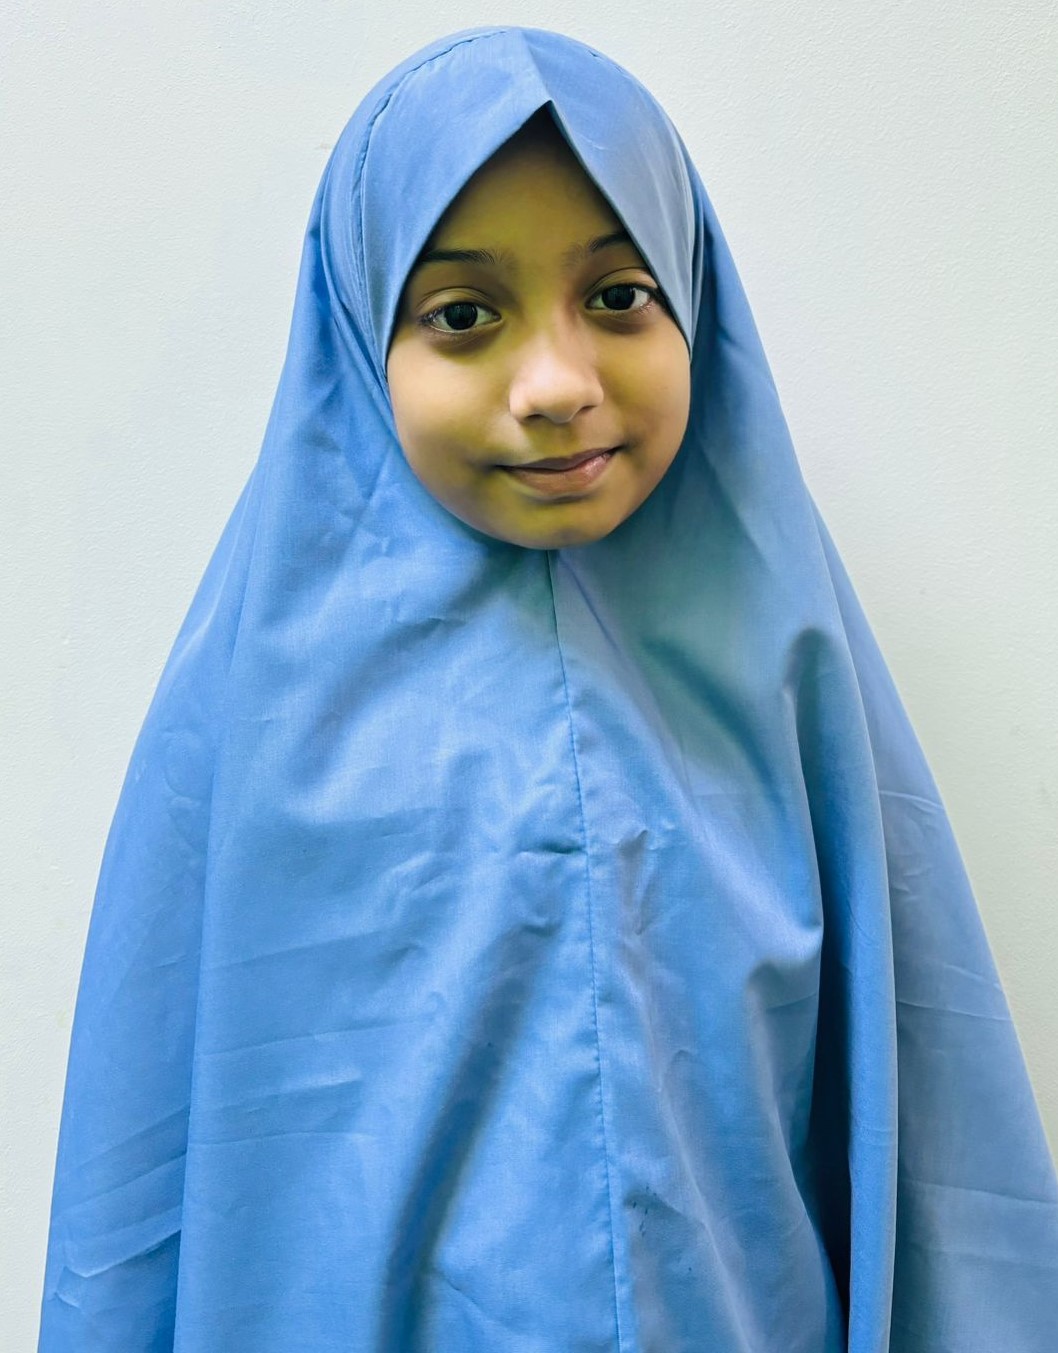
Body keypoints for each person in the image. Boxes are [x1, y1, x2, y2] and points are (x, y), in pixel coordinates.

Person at [38, 25, 1058, 1352]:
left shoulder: (790, 679)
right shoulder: (255, 731)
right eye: (463, 315)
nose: (557, 385)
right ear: (361, 335)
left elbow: (930, 1130)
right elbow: (144, 1173)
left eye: (619, 296)